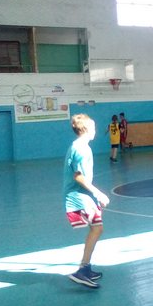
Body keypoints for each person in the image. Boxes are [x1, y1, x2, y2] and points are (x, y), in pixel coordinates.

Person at [64, 114, 110, 288]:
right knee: (97, 228)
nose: (95, 130)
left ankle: (85, 267)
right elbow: (78, 176)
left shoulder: (78, 146)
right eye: (93, 127)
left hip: (82, 195)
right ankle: (82, 270)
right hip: (78, 195)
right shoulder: (82, 149)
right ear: (86, 129)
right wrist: (99, 193)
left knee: (97, 228)